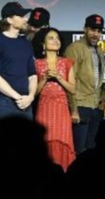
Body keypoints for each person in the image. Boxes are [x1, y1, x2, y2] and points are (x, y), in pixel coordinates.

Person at [33, 28, 77, 171]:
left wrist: (58, 77)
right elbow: (33, 93)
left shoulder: (67, 63)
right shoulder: (36, 64)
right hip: (44, 109)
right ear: (43, 44)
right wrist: (45, 78)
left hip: (62, 109)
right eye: (51, 38)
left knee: (62, 141)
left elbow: (72, 89)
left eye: (57, 38)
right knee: (44, 142)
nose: (55, 41)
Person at [0, 2, 37, 120]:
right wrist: (18, 97)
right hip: (5, 102)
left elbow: (32, 74)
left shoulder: (26, 43)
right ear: (9, 20)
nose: (26, 19)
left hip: (26, 103)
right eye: (21, 16)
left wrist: (30, 96)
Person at [65, 14, 105, 154]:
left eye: (99, 31)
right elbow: (69, 80)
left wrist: (103, 99)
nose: (96, 34)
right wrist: (74, 110)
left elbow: (100, 78)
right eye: (92, 30)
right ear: (85, 29)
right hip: (80, 105)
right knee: (78, 151)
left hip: (95, 107)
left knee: (92, 150)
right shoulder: (74, 48)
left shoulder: (99, 50)